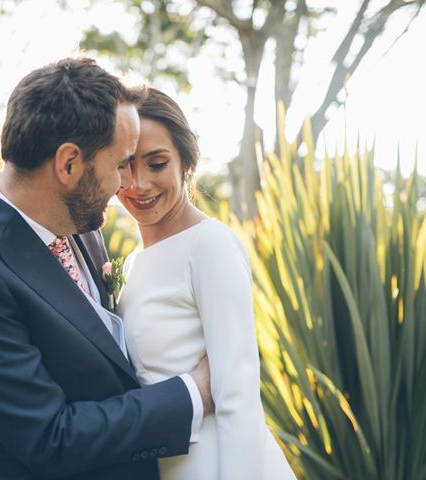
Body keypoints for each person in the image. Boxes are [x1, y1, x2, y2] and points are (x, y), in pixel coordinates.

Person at [0, 58, 213, 480]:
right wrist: (194, 393)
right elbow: (51, 439)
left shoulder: (77, 222)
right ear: (69, 164)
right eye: (121, 163)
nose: (126, 183)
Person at [116, 88, 297, 480]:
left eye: (157, 163)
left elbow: (238, 397)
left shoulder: (209, 245)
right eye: (126, 165)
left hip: (222, 466)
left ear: (185, 161)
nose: (139, 183)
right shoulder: (132, 263)